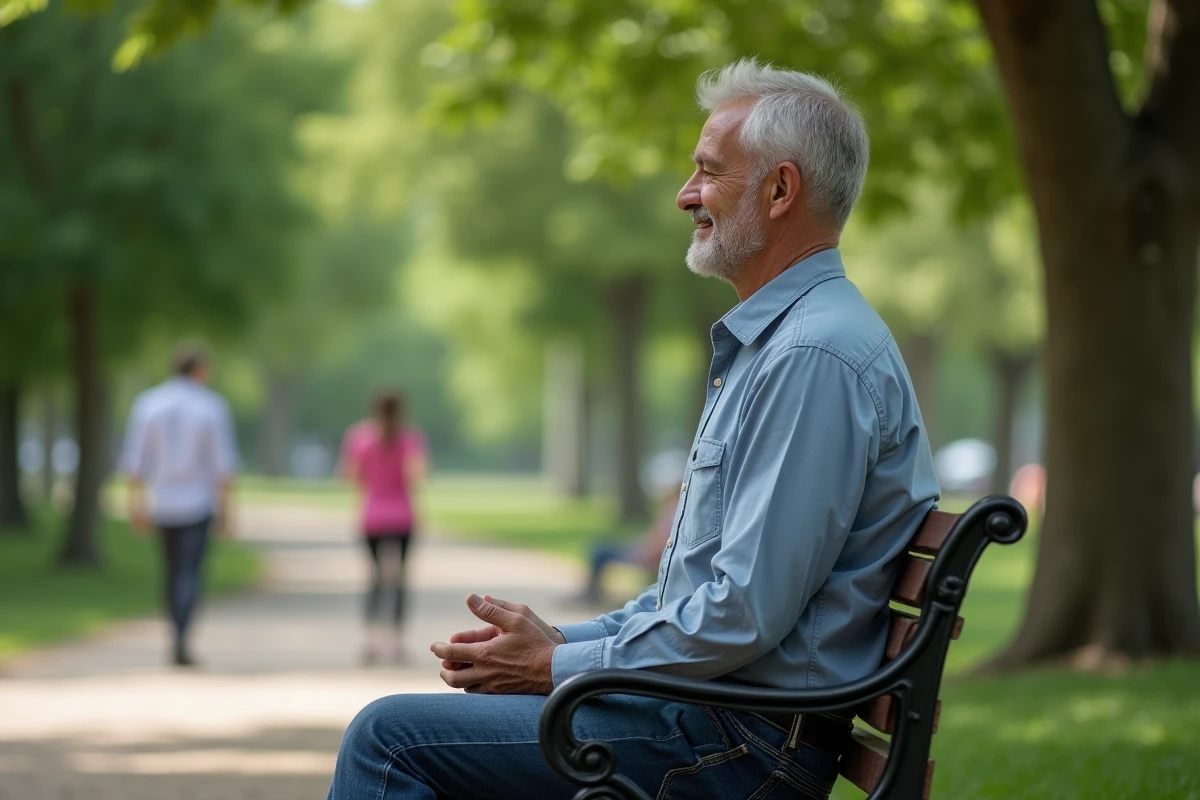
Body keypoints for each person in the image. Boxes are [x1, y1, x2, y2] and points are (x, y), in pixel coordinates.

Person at [328, 58, 939, 800]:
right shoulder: (783, 346)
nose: (686, 196)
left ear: (781, 190)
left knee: (387, 741)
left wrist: (553, 670)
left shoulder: (811, 356)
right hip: (713, 717)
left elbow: (739, 616)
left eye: (709, 172)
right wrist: (562, 645)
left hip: (740, 745)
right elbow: (692, 598)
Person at [121, 345, 238, 667]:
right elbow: (222, 466)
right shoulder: (211, 406)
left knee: (171, 571)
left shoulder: (148, 404)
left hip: (162, 502)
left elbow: (135, 464)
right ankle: (182, 635)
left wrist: (136, 505)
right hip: (197, 503)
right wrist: (227, 510)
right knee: (190, 572)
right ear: (199, 370)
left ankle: (175, 631)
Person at [339, 389, 428, 665]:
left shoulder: (360, 437)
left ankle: (369, 641)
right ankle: (398, 643)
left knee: (375, 578)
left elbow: (350, 476)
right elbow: (417, 477)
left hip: (373, 516)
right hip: (402, 516)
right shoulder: (410, 439)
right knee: (399, 579)